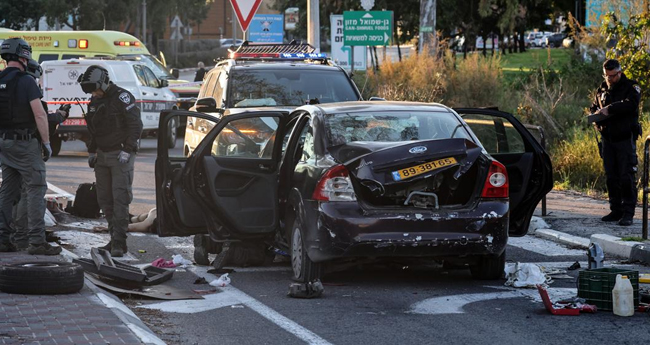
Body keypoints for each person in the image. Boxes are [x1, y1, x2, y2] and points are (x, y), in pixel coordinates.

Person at [0, 38, 59, 255]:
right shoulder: (26, 82)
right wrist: (46, 143)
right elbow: (39, 114)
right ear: (23, 56)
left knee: (7, 192)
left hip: (4, 144)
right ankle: (37, 242)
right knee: (36, 188)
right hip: (24, 144)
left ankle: (2, 239)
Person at [79, 65, 143, 257]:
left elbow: (135, 125)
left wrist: (128, 149)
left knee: (120, 199)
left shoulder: (122, 97)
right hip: (102, 156)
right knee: (105, 200)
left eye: (95, 89)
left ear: (104, 83)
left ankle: (119, 242)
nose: (94, 94)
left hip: (120, 155)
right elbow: (93, 129)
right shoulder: (94, 100)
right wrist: (92, 151)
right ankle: (113, 236)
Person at [11, 58, 70, 250]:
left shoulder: (11, 91)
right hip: (28, 149)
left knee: (17, 193)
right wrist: (59, 117)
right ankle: (34, 239)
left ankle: (16, 236)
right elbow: (41, 118)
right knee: (33, 191)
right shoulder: (29, 91)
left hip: (11, 149)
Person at [590, 59, 642, 226]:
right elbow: (594, 105)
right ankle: (615, 209)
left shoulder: (631, 87)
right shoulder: (603, 88)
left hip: (624, 139)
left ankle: (628, 213)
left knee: (626, 176)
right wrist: (595, 114)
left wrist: (610, 109)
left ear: (619, 73)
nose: (609, 79)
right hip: (607, 138)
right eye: (606, 76)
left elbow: (631, 104)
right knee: (611, 176)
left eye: (612, 76)